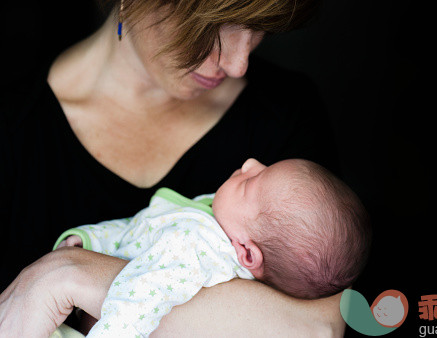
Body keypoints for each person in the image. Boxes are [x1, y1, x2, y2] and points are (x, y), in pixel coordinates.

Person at [0, 0, 348, 336]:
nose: (239, 63)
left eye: (260, 29)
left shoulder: (285, 116)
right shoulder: (13, 131)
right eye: (214, 23)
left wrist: (64, 277)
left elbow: (319, 327)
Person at [53, 158, 370, 336]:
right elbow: (140, 231)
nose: (249, 163)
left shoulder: (197, 248)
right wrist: (91, 241)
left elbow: (141, 296)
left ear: (247, 253)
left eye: (249, 183)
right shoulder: (214, 220)